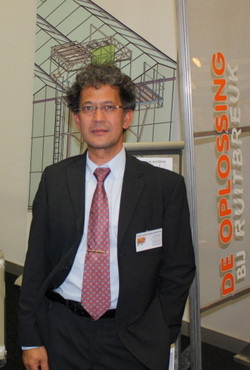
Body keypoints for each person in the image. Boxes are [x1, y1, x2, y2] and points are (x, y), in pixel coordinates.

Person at [19, 62, 196, 370]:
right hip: (62, 331)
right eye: (88, 108)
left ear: (126, 116)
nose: (98, 118)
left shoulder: (163, 187)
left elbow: (178, 269)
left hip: (132, 337)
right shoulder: (55, 180)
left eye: (108, 107)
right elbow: (36, 263)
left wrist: (160, 330)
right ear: (77, 119)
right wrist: (31, 338)